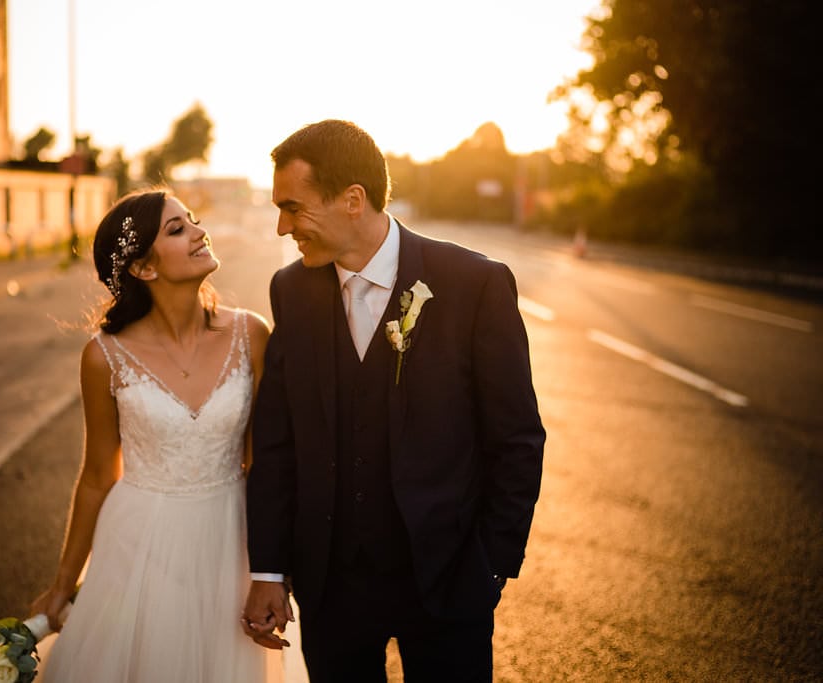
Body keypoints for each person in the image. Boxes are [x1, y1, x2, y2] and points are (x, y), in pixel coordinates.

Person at [242, 120, 545, 681]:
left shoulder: (473, 284)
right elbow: (279, 442)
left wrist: (492, 567)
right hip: (332, 586)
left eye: (293, 207)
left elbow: (517, 439)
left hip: (448, 579)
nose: (283, 227)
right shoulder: (292, 290)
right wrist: (270, 567)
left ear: (353, 199)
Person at [30, 189, 278, 681]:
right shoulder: (104, 357)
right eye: (177, 229)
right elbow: (99, 475)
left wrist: (273, 571)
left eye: (193, 221)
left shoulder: (251, 334)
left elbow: (267, 464)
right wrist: (61, 586)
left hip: (229, 541)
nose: (199, 232)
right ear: (143, 268)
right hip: (137, 545)